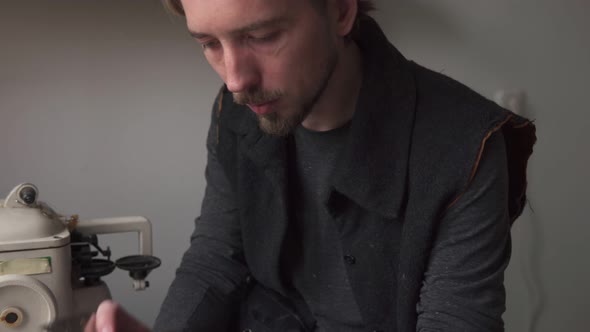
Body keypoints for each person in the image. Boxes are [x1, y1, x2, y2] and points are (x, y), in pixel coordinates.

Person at [85, 0, 536, 331]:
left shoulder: (466, 143)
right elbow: (215, 259)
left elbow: (453, 321)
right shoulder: (236, 109)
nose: (235, 78)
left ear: (340, 10)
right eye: (209, 43)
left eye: (261, 36)